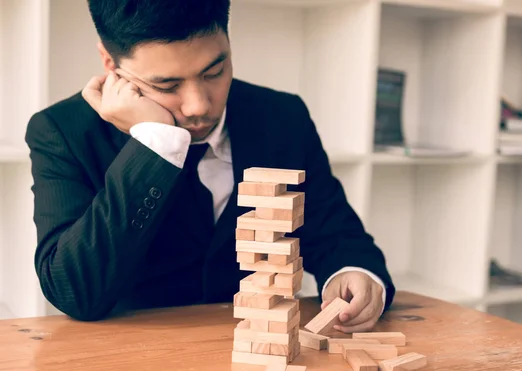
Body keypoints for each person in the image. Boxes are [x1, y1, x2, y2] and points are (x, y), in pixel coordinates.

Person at [25, 0, 396, 329]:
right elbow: (74, 292)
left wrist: (354, 273)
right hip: (129, 365)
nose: (199, 104)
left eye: (214, 72)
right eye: (167, 85)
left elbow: (335, 233)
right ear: (111, 65)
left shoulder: (283, 116)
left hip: (258, 350)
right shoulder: (62, 132)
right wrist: (156, 145)